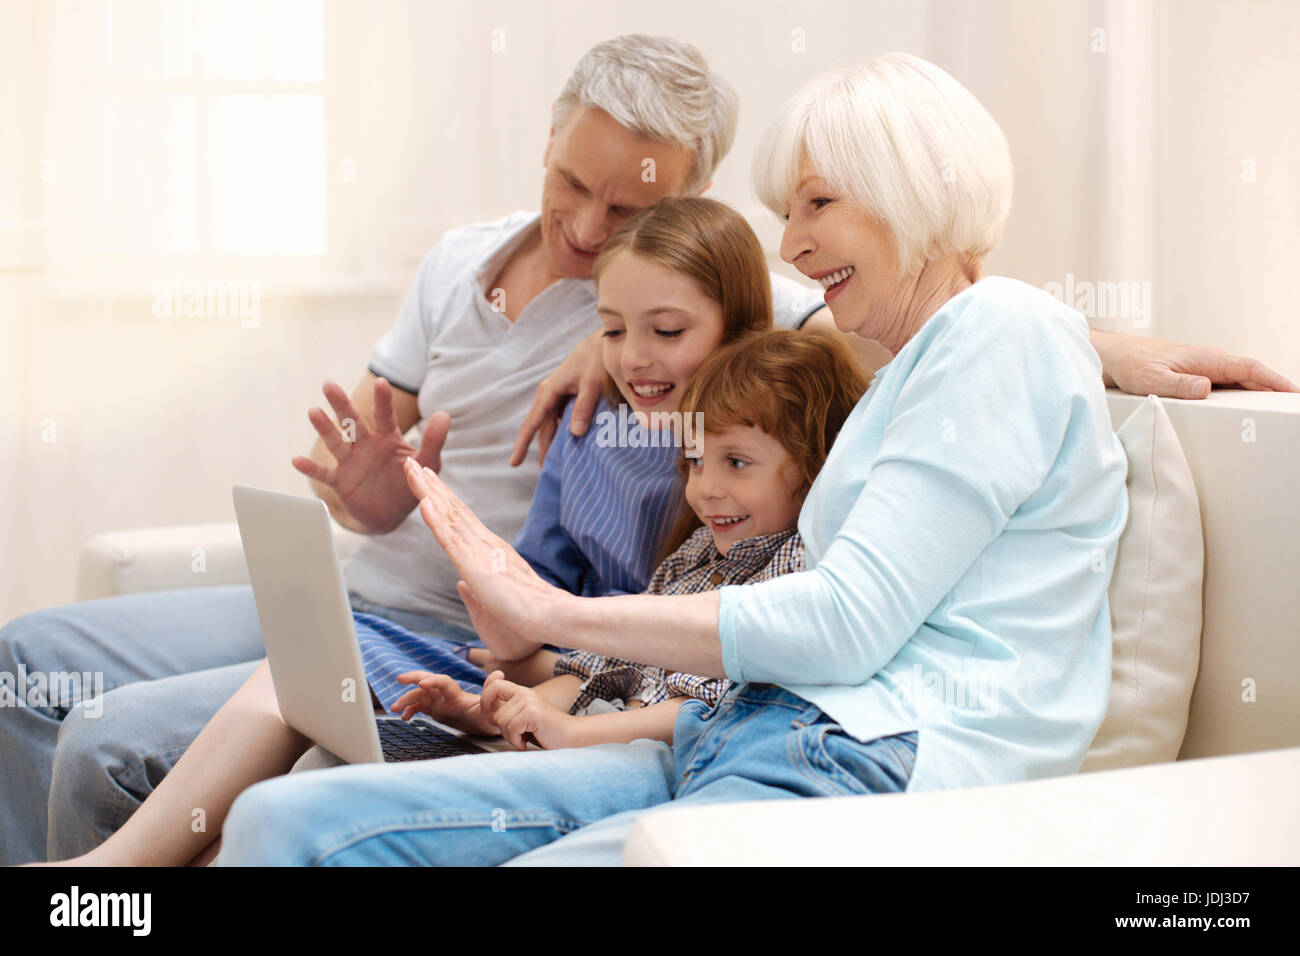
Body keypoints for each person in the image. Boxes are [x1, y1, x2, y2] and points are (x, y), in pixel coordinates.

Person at [0, 36, 1288, 866]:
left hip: (839, 755)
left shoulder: (989, 334)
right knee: (262, 804)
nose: (796, 240)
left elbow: (839, 616)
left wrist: (547, 616)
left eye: (820, 204)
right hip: (738, 731)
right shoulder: (905, 359)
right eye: (788, 210)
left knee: (276, 812)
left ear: (912, 185)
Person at [0, 35, 830, 865]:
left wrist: (608, 342)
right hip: (353, 593)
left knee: (110, 745)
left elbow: (829, 338)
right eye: (572, 183)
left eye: (626, 211)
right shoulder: (462, 261)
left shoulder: (691, 327)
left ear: (692, 199)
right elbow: (358, 457)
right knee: (26, 658)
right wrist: (358, 498)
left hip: (448, 632)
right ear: (548, 137)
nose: (584, 227)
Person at [392, 328, 867, 752]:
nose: (705, 488)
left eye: (737, 463)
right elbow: (601, 672)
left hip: (668, 758)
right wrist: (487, 713)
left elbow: (705, 712)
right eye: (696, 462)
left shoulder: (798, 571)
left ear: (816, 467)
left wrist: (572, 734)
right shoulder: (696, 556)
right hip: (604, 734)